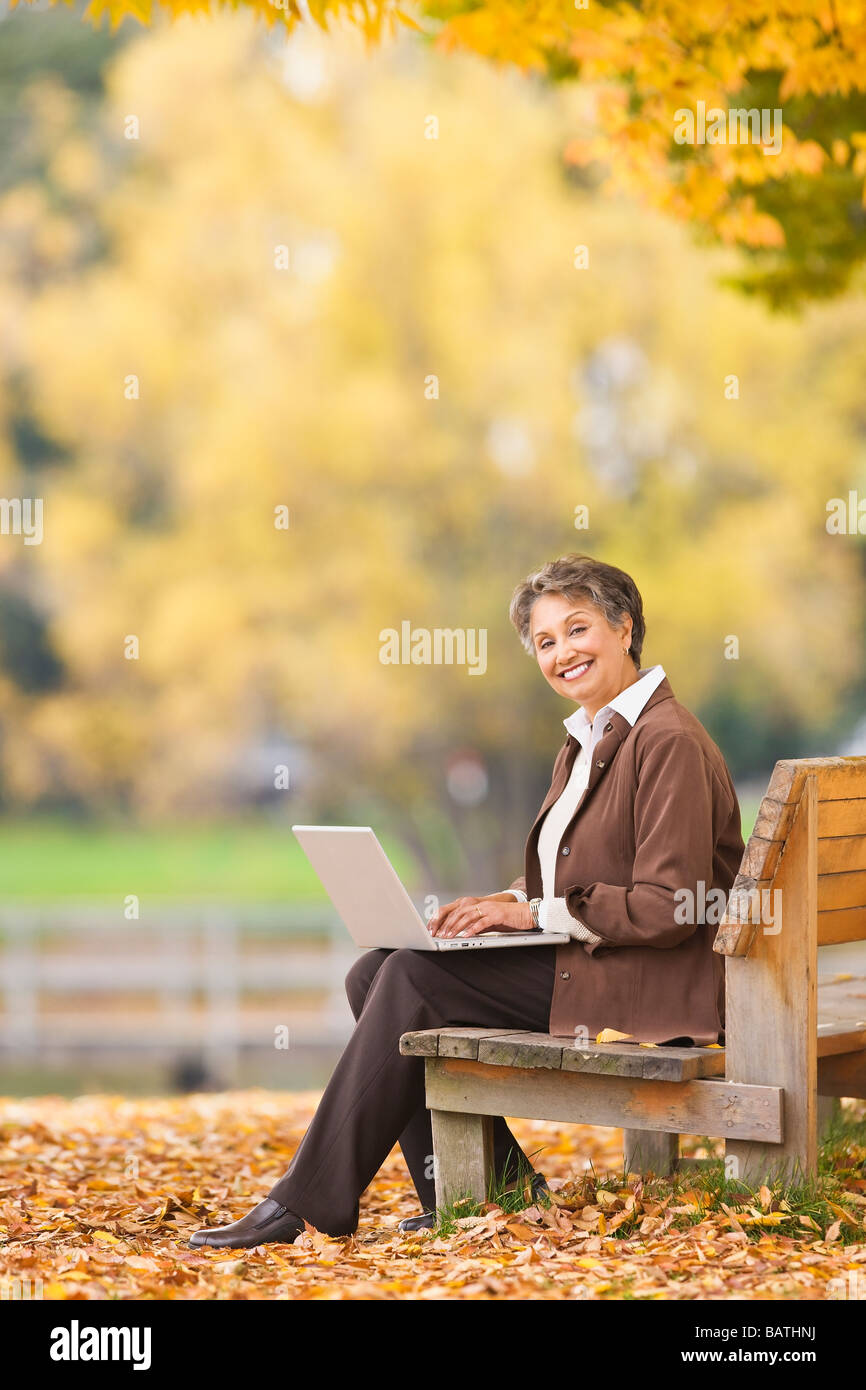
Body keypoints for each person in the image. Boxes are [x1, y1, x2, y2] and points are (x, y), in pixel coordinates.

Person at [189, 553, 745, 1248]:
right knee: (377, 969)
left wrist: (531, 915)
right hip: (600, 962)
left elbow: (667, 906)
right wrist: (503, 901)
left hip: (653, 985)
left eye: (578, 630)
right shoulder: (590, 737)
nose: (562, 653)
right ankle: (489, 1190)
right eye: (545, 642)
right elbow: (577, 876)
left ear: (624, 627)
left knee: (414, 979)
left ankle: (303, 1202)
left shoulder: (667, 741)